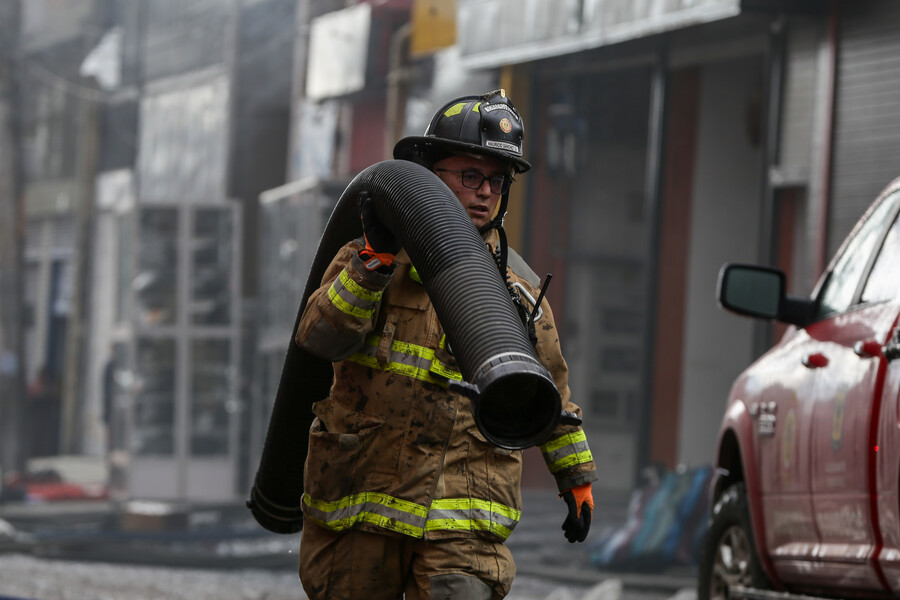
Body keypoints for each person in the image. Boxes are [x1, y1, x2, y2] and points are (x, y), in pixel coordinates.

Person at [294, 89, 597, 599]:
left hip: (462, 514)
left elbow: (552, 393)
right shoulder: (369, 260)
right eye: (470, 176)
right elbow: (320, 337)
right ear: (429, 177)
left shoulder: (517, 293)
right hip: (365, 502)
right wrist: (373, 266)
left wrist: (576, 476)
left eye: (496, 182)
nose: (484, 193)